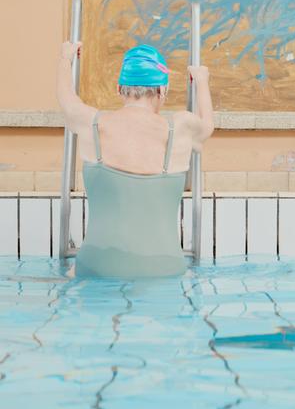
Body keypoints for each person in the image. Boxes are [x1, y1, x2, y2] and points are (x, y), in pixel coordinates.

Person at [57, 42, 214, 277]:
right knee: (185, 279)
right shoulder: (181, 127)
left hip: (97, 267)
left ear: (119, 88)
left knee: (72, 275)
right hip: (164, 269)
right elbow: (207, 126)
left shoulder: (92, 123)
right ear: (162, 91)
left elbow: (67, 101)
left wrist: (65, 59)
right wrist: (201, 81)